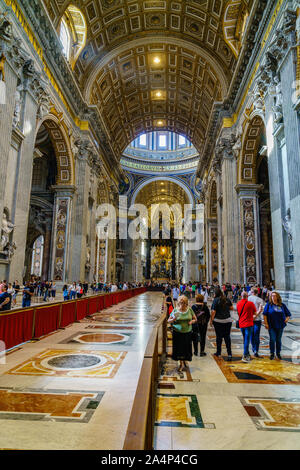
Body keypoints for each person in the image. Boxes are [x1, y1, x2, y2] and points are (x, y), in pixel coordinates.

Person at [168, 295, 197, 372]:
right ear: (178, 303)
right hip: (178, 333)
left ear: (186, 303)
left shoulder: (189, 310)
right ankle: (181, 364)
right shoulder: (175, 310)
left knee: (186, 348)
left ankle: (184, 360)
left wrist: (192, 321)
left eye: (184, 303)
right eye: (181, 303)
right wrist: (173, 319)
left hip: (187, 332)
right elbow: (168, 320)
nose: (182, 305)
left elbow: (195, 319)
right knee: (179, 349)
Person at [263, 291, 291, 360]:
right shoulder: (269, 305)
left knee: (278, 340)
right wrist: (266, 323)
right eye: (272, 296)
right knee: (272, 339)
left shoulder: (282, 305)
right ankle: (272, 353)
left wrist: (287, 319)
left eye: (275, 296)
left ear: (278, 297)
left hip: (280, 325)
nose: (273, 297)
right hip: (271, 325)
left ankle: (278, 353)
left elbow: (288, 314)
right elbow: (265, 314)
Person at [210, 288, 233, 359]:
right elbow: (231, 308)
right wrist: (225, 309)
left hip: (218, 321)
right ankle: (229, 353)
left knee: (219, 337)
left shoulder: (216, 300)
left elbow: (213, 311)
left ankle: (218, 352)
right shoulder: (226, 299)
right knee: (227, 337)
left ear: (216, 294)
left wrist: (211, 320)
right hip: (227, 320)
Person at [236, 291, 256, 362]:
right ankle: (245, 355)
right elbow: (254, 312)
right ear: (247, 296)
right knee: (247, 340)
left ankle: (247, 352)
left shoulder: (238, 303)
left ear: (241, 296)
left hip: (241, 324)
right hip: (249, 324)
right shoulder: (250, 303)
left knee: (245, 339)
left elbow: (238, 313)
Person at [248, 287, 264, 357]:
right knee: (257, 335)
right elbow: (261, 309)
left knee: (251, 335)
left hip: (250, 319)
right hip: (257, 319)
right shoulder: (260, 300)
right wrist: (256, 315)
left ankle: (253, 348)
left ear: (251, 292)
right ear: (257, 292)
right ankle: (256, 350)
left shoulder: (248, 299)